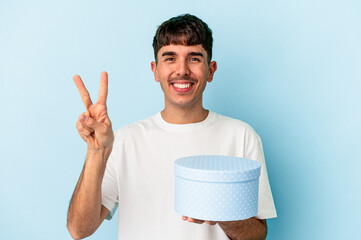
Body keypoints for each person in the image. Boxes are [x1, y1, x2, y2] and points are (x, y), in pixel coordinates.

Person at [67, 14, 277, 240]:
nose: (182, 70)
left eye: (194, 58)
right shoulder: (124, 140)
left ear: (211, 70)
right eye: (170, 58)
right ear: (155, 70)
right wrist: (96, 150)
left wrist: (222, 214)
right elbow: (79, 230)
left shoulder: (241, 136)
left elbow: (258, 234)